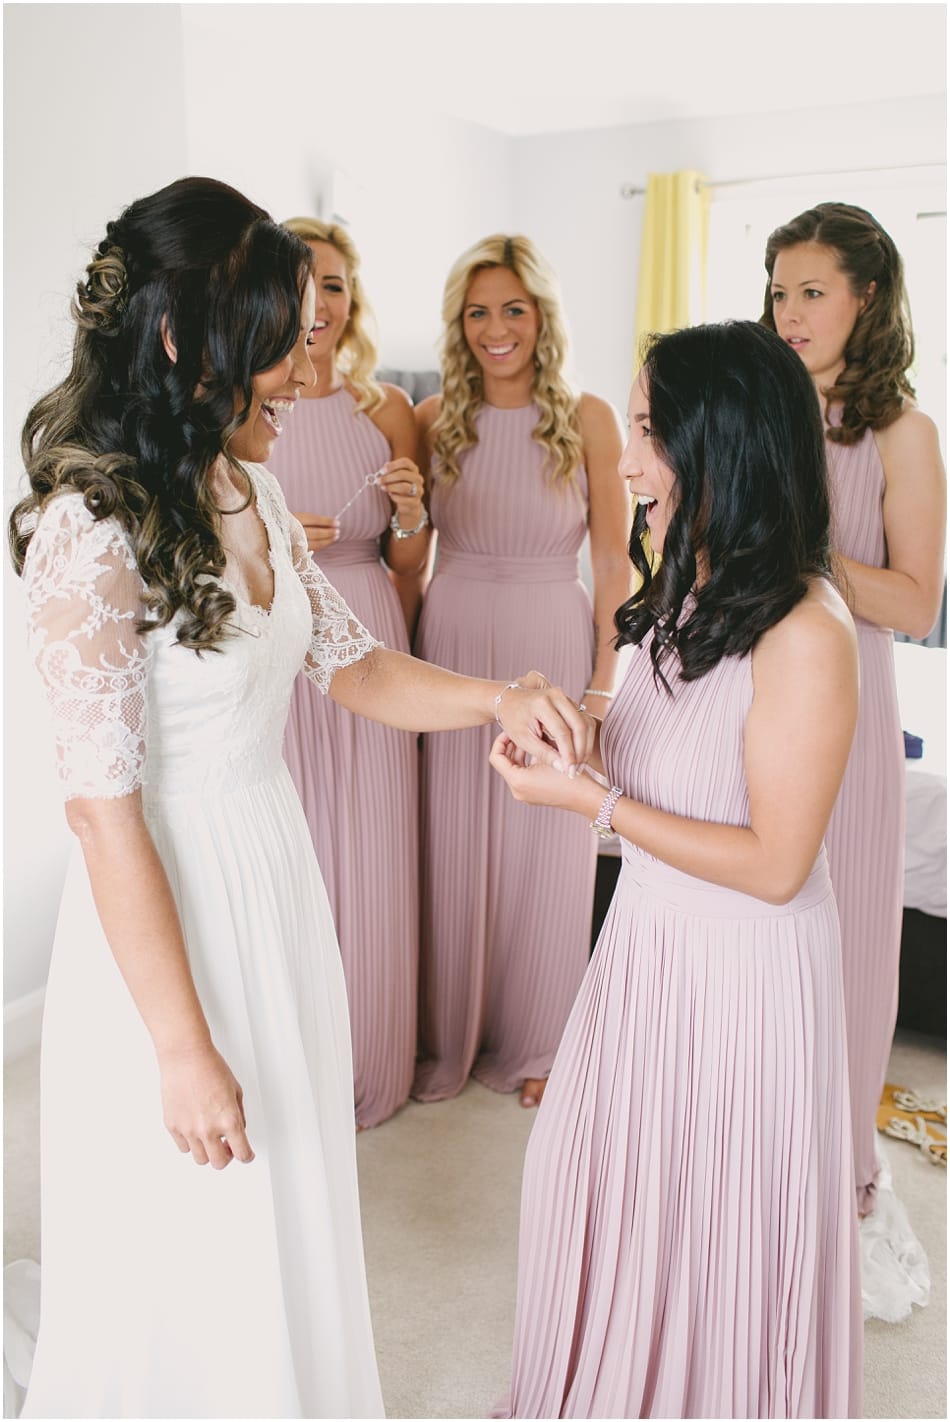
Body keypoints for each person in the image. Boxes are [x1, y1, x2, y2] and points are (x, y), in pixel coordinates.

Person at [8, 176, 593, 1420]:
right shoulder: (89, 527)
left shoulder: (249, 486)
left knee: (290, 1202)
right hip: (169, 924)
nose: (301, 356)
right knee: (198, 1232)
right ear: (181, 339)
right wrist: (179, 1047)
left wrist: (495, 699)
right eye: (274, 335)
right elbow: (101, 813)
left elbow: (356, 664)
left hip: (274, 881)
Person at [489, 321, 862, 1418]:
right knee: (585, 1187)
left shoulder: (805, 628)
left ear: (725, 443)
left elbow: (775, 864)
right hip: (647, 949)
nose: (625, 462)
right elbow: (662, 755)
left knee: (709, 1230)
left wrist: (590, 804)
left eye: (649, 432)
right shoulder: (684, 586)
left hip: (740, 974)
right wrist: (569, 733)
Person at [412, 234, 632, 1108]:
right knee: (454, 838)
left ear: (542, 316)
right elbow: (405, 559)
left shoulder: (590, 418)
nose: (495, 329)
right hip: (454, 637)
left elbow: (616, 568)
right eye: (477, 312)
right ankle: (447, 1033)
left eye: (513, 308)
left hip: (551, 631)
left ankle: (544, 1040)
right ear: (457, 325)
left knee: (548, 846)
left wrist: (604, 685)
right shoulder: (432, 422)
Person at [761, 201, 946, 1216]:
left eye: (812, 292)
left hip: (850, 693)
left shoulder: (900, 434)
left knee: (846, 928)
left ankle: (831, 1160)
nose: (789, 312)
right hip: (748, 687)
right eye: (779, 291)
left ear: (866, 296)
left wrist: (797, 555)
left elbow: (916, 602)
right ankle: (755, 1131)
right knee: (757, 916)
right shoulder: (760, 408)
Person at [267, 218, 427, 1129]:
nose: (317, 305)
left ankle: (373, 1058)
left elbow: (410, 571)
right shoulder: (240, 402)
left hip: (373, 631)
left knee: (374, 856)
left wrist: (409, 517)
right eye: (299, 285)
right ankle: (300, 1065)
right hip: (284, 651)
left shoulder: (387, 410)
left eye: (332, 285)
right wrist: (283, 547)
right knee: (305, 856)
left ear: (351, 298)